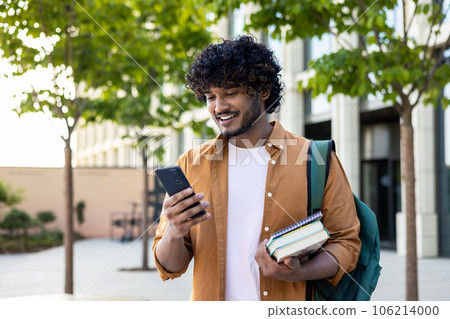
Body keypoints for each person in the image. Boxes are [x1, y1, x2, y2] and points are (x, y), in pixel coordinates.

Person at [152, 35, 361, 301]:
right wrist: (173, 231)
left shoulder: (315, 158)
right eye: (209, 96)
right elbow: (170, 266)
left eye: (230, 93)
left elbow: (346, 244)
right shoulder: (191, 164)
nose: (218, 107)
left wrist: (300, 272)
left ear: (262, 91)